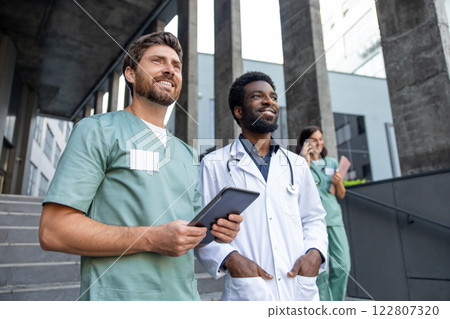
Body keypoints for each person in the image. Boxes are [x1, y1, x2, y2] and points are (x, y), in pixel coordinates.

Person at [39, 32, 242, 301]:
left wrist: (216, 231)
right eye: (157, 61)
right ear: (131, 74)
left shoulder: (186, 153)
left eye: (176, 65)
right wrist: (151, 238)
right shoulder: (98, 131)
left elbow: (192, 232)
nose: (170, 69)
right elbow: (53, 231)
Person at [194, 72, 328, 301]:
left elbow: (314, 218)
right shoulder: (213, 164)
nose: (269, 101)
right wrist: (232, 260)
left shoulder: (296, 163)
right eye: (258, 96)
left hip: (297, 285)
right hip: (248, 291)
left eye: (273, 96)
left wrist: (314, 254)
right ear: (238, 111)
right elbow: (200, 229)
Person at [296, 126, 351, 301]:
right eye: (314, 140)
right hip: (311, 224)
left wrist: (339, 183)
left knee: (344, 266)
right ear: (305, 143)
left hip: (334, 219)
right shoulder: (299, 164)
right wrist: (305, 161)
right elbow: (299, 191)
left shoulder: (332, 163)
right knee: (321, 272)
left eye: (320, 139)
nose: (319, 143)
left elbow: (340, 194)